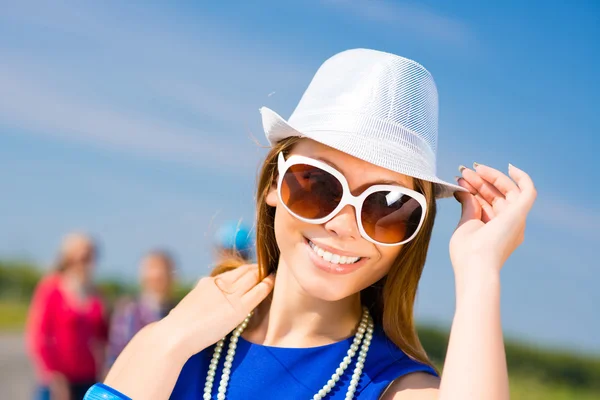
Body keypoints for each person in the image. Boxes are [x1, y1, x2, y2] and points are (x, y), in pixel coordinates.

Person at [85, 49, 537, 399]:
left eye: (388, 206)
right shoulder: (183, 335)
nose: (344, 225)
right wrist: (163, 343)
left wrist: (480, 269)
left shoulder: (391, 385)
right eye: (318, 184)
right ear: (273, 183)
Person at [26, 233, 107, 400]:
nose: (87, 261)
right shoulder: (51, 287)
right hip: (58, 377)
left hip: (88, 375)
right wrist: (52, 374)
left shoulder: (96, 292)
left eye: (91, 255)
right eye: (83, 256)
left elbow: (103, 336)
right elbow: (38, 335)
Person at [105, 250, 177, 370]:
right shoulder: (129, 311)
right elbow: (117, 353)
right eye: (152, 269)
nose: (157, 275)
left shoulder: (178, 311)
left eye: (162, 271)